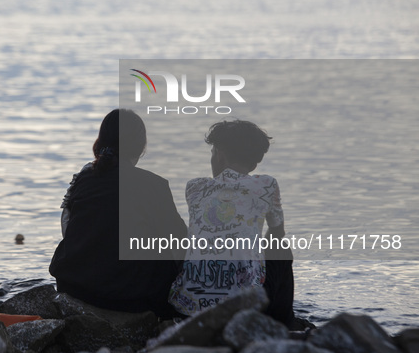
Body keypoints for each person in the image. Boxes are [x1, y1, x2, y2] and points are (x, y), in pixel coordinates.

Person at [49, 109, 187, 318]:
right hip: (130, 296)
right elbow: (179, 240)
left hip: (74, 285)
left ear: (100, 141)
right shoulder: (154, 184)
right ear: (141, 147)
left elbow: (67, 230)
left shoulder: (82, 179)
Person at [168, 119, 295, 326]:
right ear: (254, 162)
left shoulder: (194, 188)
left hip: (188, 305)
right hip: (243, 305)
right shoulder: (267, 185)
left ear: (219, 153)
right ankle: (284, 322)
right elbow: (277, 233)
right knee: (281, 248)